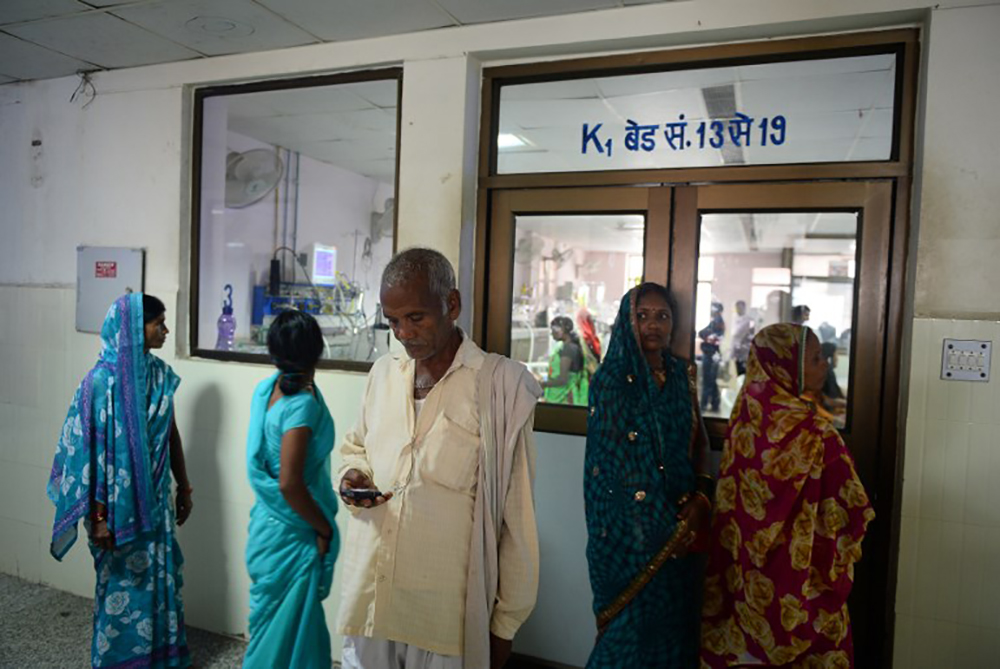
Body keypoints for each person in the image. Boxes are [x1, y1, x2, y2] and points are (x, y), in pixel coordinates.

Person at [337, 247, 541, 669]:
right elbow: (355, 445)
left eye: (416, 318)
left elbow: (516, 517)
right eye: (393, 321)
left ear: (451, 305)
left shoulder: (498, 386)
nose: (404, 333)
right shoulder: (383, 373)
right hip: (373, 596)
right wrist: (352, 473)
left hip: (444, 615)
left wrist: (505, 625)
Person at [700, 324, 875, 668]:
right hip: (802, 586)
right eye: (814, 358)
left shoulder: (743, 423)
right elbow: (853, 510)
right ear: (785, 368)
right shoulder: (818, 436)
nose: (825, 364)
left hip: (745, 585)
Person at [48, 293, 193, 668]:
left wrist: (185, 486)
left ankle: (161, 658)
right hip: (115, 514)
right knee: (121, 587)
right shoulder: (98, 383)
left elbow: (171, 433)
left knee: (160, 584)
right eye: (157, 323)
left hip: (156, 504)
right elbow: (86, 455)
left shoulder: (159, 375)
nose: (164, 330)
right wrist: (97, 519)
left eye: (163, 322)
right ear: (132, 328)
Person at [584, 282, 714, 668]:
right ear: (627, 322)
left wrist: (701, 500)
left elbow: (700, 442)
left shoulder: (681, 374)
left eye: (662, 316)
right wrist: (655, 530)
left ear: (673, 323)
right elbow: (610, 468)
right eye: (642, 316)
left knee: (676, 634)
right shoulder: (609, 382)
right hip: (630, 542)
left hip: (684, 529)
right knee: (627, 640)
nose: (652, 325)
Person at [243, 309, 339, 668]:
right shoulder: (300, 407)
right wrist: (324, 526)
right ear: (317, 350)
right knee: (282, 638)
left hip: (267, 528)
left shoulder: (266, 390)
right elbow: (289, 483)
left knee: (279, 631)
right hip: (292, 534)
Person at [541, 315, 588, 406]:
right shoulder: (568, 347)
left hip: (563, 399)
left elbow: (563, 380)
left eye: (554, 330)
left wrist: (542, 384)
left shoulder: (568, 350)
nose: (552, 333)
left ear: (562, 330)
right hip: (560, 399)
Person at [699, 301, 726, 413]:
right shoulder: (715, 322)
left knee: (708, 380)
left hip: (711, 355)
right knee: (711, 380)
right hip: (711, 354)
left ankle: (704, 404)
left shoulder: (718, 322)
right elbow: (702, 333)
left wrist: (706, 336)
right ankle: (715, 404)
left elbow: (708, 336)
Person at [730, 300, 755, 377]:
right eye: (737, 307)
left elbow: (751, 334)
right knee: (739, 373)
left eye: (740, 307)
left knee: (745, 374)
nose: (738, 309)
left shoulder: (750, 321)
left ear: (744, 308)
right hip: (737, 352)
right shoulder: (735, 319)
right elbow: (734, 337)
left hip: (745, 351)